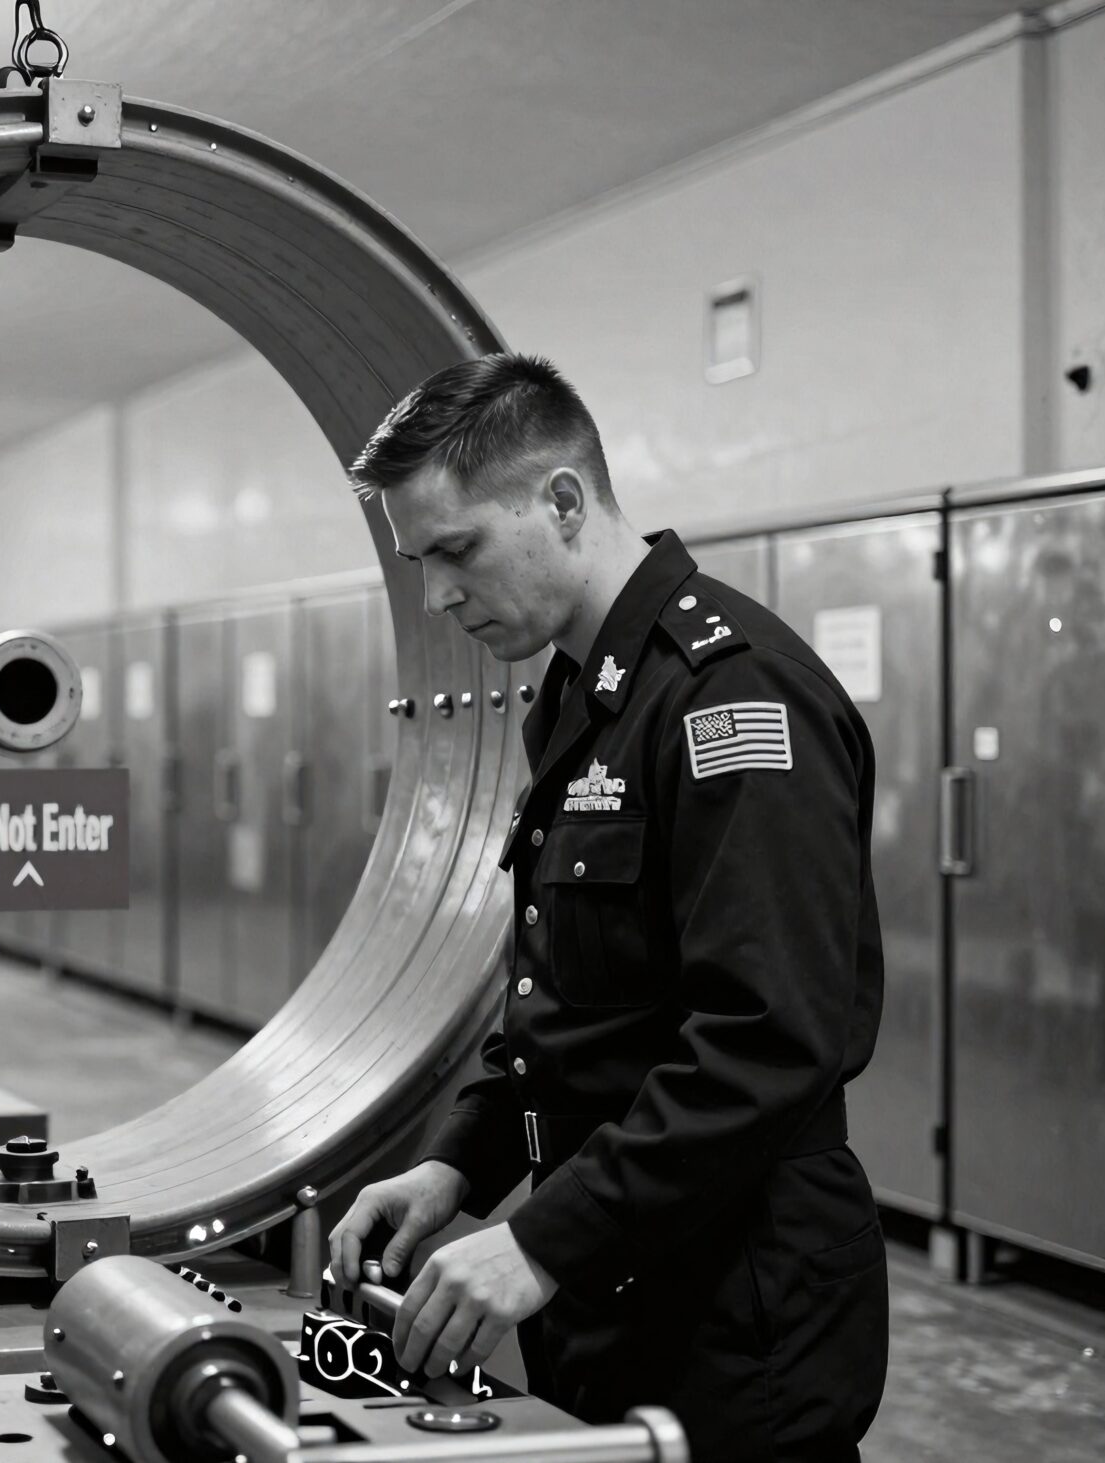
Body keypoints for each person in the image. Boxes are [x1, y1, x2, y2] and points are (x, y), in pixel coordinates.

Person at [327, 355, 887, 1461]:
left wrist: (539, 1239)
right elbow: (566, 1003)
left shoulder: (728, 696)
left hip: (733, 1296)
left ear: (564, 501)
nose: (437, 595)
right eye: (416, 562)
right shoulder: (578, 701)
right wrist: (459, 1164)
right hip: (610, 1269)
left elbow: (766, 1040)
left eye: (456, 550)